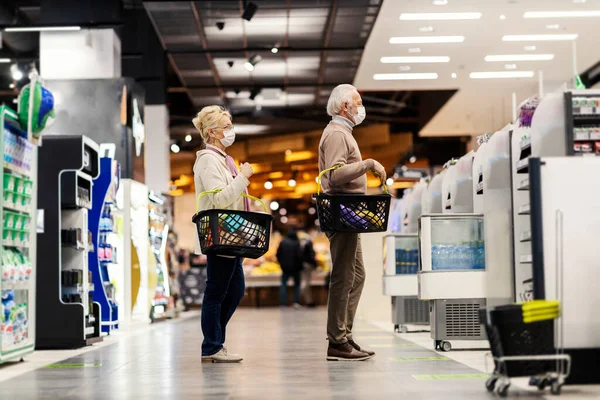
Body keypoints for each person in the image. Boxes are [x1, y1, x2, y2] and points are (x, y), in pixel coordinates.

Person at [318, 84, 386, 361]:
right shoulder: (336, 134)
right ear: (345, 106)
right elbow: (334, 175)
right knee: (344, 276)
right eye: (358, 102)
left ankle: (343, 335)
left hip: (349, 212)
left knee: (356, 275)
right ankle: (337, 341)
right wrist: (368, 163)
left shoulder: (343, 133)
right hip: (341, 211)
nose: (361, 107)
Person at [192, 105, 254, 363]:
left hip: (232, 235)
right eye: (226, 127)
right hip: (219, 235)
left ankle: (216, 341)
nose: (231, 131)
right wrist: (242, 177)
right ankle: (212, 346)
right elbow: (219, 199)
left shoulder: (223, 160)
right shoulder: (208, 160)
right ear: (212, 132)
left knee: (236, 289)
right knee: (216, 291)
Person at [276, 229, 303, 308]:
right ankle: (295, 302)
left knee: (284, 284)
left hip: (285, 267)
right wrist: (300, 265)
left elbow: (277, 254)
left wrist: (281, 263)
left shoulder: (282, 242)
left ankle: (283, 303)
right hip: (296, 268)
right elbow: (299, 256)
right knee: (297, 285)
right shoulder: (296, 243)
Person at [298, 230, 317, 308]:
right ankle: (307, 300)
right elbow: (311, 254)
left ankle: (306, 300)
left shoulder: (299, 243)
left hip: (302, 265)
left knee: (304, 282)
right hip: (308, 264)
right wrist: (315, 264)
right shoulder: (308, 243)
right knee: (306, 283)